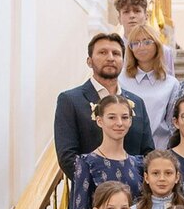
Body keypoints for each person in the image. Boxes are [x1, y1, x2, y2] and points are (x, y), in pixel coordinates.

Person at [55, 33, 153, 178]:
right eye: (102, 52)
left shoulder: (137, 102)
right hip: (91, 189)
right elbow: (67, 157)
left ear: (123, 61)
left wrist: (133, 183)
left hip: (133, 189)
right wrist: (102, 185)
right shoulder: (70, 100)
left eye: (116, 53)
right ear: (89, 61)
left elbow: (148, 152)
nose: (110, 58)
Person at [71, 95, 145, 209]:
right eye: (112, 117)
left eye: (124, 117)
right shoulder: (87, 163)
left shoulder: (138, 163)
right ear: (100, 121)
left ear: (130, 121)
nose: (119, 123)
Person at [120, 25, 184, 151]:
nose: (141, 47)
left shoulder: (171, 84)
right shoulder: (120, 80)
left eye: (147, 42)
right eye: (135, 43)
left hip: (160, 150)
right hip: (127, 151)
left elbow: (172, 123)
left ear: (157, 45)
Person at [115, 0, 175, 75]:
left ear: (146, 16)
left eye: (137, 11)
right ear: (119, 19)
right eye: (126, 12)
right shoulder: (113, 51)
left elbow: (169, 81)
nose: (132, 16)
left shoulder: (163, 51)